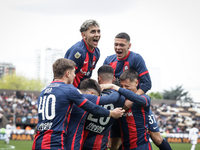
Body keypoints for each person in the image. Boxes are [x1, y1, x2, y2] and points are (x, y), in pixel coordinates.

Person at [32, 58, 124, 150]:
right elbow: (92, 108)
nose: (75, 75)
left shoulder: (44, 91)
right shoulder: (69, 90)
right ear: (67, 74)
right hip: (54, 142)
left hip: (38, 141)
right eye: (74, 72)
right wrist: (111, 113)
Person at [104, 32, 172, 150]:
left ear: (129, 46)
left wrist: (132, 99)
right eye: (116, 44)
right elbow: (104, 83)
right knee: (114, 144)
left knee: (156, 138)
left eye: (122, 45)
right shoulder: (109, 60)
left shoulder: (136, 58)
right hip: (119, 105)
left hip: (137, 104)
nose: (118, 48)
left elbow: (147, 84)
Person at [65, 78, 125, 150]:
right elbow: (106, 102)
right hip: (74, 143)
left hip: (61, 140)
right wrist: (117, 89)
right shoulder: (87, 97)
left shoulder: (68, 96)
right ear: (92, 93)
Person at [101, 69, 152, 150]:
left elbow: (139, 99)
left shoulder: (144, 98)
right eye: (122, 86)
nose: (124, 89)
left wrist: (115, 87)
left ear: (136, 83)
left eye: (127, 86)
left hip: (141, 146)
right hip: (124, 146)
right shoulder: (120, 101)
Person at [81, 65, 127, 150]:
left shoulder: (89, 94)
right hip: (100, 145)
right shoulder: (121, 98)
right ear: (113, 79)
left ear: (99, 78)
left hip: (81, 143)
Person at [64, 19, 101, 88]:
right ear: (83, 35)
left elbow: (88, 75)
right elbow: (66, 76)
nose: (97, 35)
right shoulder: (78, 51)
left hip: (82, 91)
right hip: (69, 90)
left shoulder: (97, 52)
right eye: (93, 32)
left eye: (98, 31)